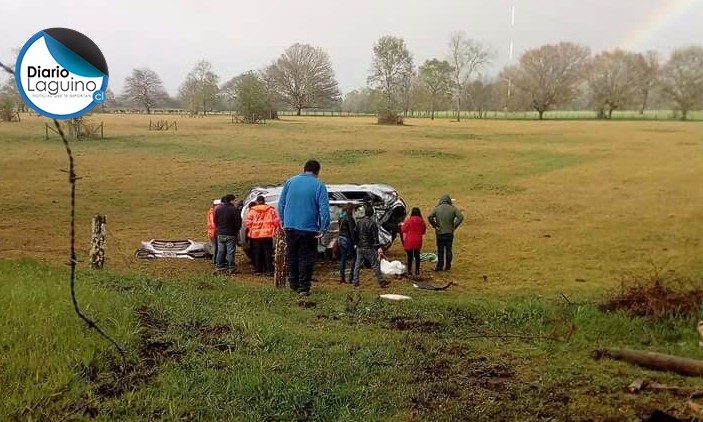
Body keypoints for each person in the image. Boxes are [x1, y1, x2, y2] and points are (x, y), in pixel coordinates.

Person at [278, 160, 331, 296]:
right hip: (309, 228)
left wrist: (284, 221)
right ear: (317, 171)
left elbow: (281, 204)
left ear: (304, 169)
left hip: (290, 226)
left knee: (292, 256)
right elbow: (324, 209)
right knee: (306, 257)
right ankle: (303, 287)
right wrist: (323, 228)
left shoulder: (290, 182)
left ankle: (293, 285)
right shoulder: (319, 185)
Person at [351, 204, 389, 288]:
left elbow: (354, 234)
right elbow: (375, 237)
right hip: (368, 247)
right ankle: (381, 281)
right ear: (372, 214)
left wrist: (356, 243)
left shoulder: (359, 222)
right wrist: (378, 247)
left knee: (357, 265)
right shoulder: (372, 223)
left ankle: (355, 281)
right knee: (375, 265)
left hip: (360, 247)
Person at [246, 195, 280, 276]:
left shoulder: (252, 211)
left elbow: (248, 224)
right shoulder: (271, 210)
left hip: (255, 235)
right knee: (268, 252)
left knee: (257, 252)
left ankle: (258, 270)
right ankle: (269, 270)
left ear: (257, 202)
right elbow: (276, 222)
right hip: (267, 235)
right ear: (264, 201)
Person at [428, 195, 464, 271]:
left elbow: (429, 216)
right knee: (449, 250)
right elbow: (460, 217)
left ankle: (439, 266)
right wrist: (454, 226)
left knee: (440, 250)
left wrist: (435, 225)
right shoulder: (453, 208)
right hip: (449, 233)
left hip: (440, 233)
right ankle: (448, 266)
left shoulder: (437, 208)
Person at [214, 194, 242, 275]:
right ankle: (231, 268)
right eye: (234, 200)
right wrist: (236, 230)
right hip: (231, 233)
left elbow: (215, 221)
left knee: (220, 251)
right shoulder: (234, 210)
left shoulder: (218, 209)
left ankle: (219, 267)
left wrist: (219, 228)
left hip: (220, 233)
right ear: (231, 200)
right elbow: (238, 222)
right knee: (230, 251)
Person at [401, 207, 427, 276]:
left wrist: (402, 225)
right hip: (418, 240)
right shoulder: (422, 221)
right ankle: (417, 270)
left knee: (410, 256)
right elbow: (423, 231)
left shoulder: (409, 220)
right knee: (417, 255)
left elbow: (403, 229)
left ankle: (409, 270)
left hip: (410, 240)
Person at [337, 202, 357, 283]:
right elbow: (352, 232)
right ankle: (351, 278)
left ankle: (342, 278)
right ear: (351, 209)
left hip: (341, 238)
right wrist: (355, 242)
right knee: (355, 258)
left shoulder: (341, 217)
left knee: (343, 259)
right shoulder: (350, 218)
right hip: (348, 239)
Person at [207, 199, 221, 266]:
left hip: (212, 232)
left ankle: (216, 260)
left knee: (216, 247)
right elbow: (213, 223)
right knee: (216, 247)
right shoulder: (213, 212)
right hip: (214, 232)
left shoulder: (212, 211)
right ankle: (216, 260)